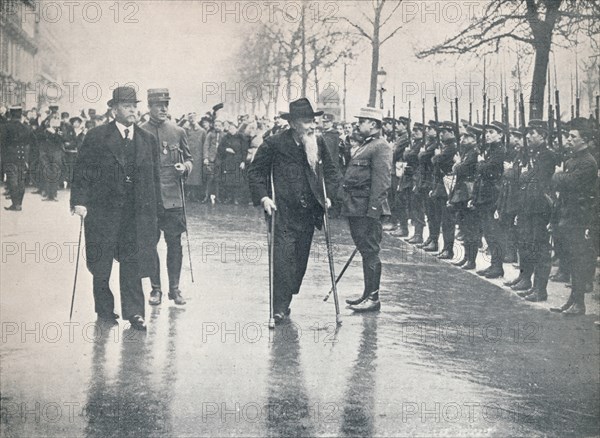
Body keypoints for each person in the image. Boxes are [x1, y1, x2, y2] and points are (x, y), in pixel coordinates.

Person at [71, 86, 162, 331]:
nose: (132, 110)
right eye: (126, 106)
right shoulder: (97, 136)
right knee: (101, 264)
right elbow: (82, 172)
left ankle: (134, 313)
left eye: (134, 106)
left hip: (135, 214)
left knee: (132, 261)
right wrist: (79, 202)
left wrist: (157, 215)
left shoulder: (147, 140)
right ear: (113, 109)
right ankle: (104, 309)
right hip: (102, 212)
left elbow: (155, 180)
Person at [248, 98, 339, 324]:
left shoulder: (318, 142)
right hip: (283, 212)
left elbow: (332, 172)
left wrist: (330, 196)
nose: (312, 125)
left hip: (308, 214)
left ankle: (287, 296)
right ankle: (279, 306)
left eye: (313, 121)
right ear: (293, 123)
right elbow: (256, 173)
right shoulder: (273, 144)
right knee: (283, 260)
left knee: (299, 263)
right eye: (307, 121)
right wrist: (264, 197)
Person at [140, 88, 192, 306]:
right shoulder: (139, 131)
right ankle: (156, 289)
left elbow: (189, 159)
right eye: (158, 105)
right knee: (150, 244)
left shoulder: (178, 132)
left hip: (173, 199)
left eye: (166, 105)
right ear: (149, 107)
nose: (163, 109)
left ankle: (174, 289)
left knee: (175, 244)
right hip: (149, 199)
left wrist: (185, 167)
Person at [340, 107, 392, 312]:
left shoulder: (381, 147)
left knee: (370, 251)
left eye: (362, 121)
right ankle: (366, 294)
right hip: (356, 206)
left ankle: (373, 297)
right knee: (365, 251)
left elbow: (382, 182)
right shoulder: (367, 145)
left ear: (373, 124)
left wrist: (373, 211)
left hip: (366, 209)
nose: (358, 124)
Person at [550, 117, 598, 316]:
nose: (568, 140)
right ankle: (573, 301)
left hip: (580, 218)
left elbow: (568, 183)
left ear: (584, 140)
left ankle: (579, 304)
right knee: (571, 259)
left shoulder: (588, 162)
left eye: (572, 137)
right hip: (568, 216)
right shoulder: (572, 160)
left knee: (578, 261)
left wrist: (558, 175)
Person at [1, 107, 35, 211]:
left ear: (10, 115)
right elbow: (33, 142)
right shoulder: (26, 127)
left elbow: (1, 142)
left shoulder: (5, 127)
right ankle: (19, 203)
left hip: (10, 156)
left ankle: (15, 204)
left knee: (12, 179)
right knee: (21, 180)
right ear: (20, 115)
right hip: (22, 156)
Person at [184, 112, 207, 201]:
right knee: (188, 175)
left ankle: (194, 195)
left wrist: (204, 157)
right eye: (190, 118)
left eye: (193, 118)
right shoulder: (185, 130)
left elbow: (204, 144)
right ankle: (188, 194)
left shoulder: (202, 131)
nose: (192, 120)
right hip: (188, 155)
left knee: (196, 176)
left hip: (198, 156)